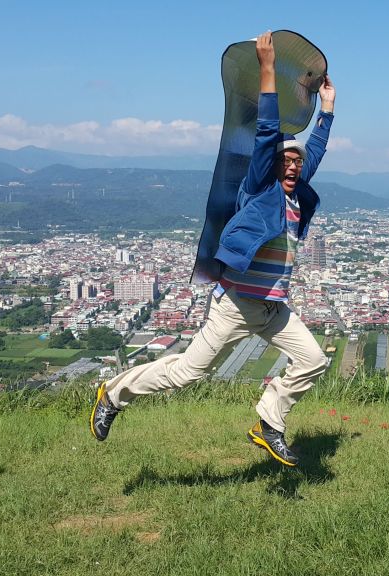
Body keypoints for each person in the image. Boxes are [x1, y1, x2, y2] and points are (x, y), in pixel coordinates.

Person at [90, 31, 336, 467]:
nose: (295, 165)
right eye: (287, 161)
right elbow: (265, 134)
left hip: (273, 308)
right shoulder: (261, 189)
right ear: (273, 168)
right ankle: (113, 393)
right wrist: (266, 69)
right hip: (238, 304)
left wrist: (328, 111)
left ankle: (269, 423)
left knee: (313, 360)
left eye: (298, 161)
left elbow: (312, 151)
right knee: (188, 372)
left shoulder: (298, 194)